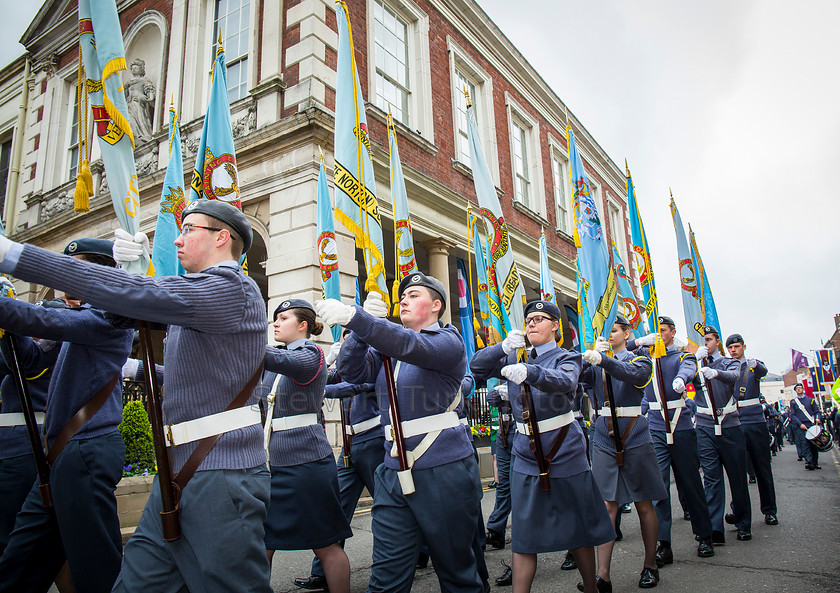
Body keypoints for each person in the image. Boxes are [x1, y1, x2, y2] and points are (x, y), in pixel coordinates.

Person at [0, 200, 273, 592]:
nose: (177, 240)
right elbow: (113, 314)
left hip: (221, 472)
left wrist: (13, 255)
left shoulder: (231, 288)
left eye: (189, 229)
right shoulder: (198, 297)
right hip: (179, 472)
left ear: (221, 237)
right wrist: (130, 275)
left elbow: (139, 298)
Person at [316, 271, 484, 593]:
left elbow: (411, 344)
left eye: (415, 295)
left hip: (441, 467)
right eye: (403, 296)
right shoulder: (390, 349)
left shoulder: (449, 342)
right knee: (387, 574)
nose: (404, 299)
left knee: (457, 573)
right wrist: (360, 333)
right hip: (393, 468)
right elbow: (353, 371)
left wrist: (358, 318)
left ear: (437, 305)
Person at [0, 239, 134, 593]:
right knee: (19, 561)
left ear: (97, 273)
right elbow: (28, 361)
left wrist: (10, 308)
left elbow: (40, 318)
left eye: (73, 267)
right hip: (61, 454)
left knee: (96, 567)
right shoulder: (77, 317)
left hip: (86, 449)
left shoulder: (107, 316)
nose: (62, 277)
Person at [470, 300, 614, 593]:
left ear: (555, 326)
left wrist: (531, 373)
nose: (532, 324)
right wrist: (503, 349)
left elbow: (565, 381)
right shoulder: (515, 358)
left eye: (540, 319)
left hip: (564, 449)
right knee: (523, 532)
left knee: (579, 529)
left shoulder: (567, 357)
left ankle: (591, 586)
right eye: (529, 319)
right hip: (525, 450)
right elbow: (476, 366)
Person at [262, 299, 351, 593]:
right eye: (274, 318)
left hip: (307, 464)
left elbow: (287, 363)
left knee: (325, 544)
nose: (275, 322)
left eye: (283, 317)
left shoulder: (310, 354)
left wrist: (240, 337)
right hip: (273, 466)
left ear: (303, 326)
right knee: (261, 542)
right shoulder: (273, 359)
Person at [581, 316, 666, 589]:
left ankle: (650, 564)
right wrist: (588, 358)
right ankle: (602, 575)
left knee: (643, 503)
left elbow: (633, 375)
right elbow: (575, 377)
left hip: (635, 435)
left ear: (627, 333)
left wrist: (603, 360)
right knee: (607, 504)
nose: (611, 336)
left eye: (615, 331)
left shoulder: (640, 359)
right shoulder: (596, 364)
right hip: (604, 438)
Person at [295, 333, 381, 592]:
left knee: (390, 508)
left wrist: (322, 390)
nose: (348, 348)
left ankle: (405, 558)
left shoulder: (373, 364)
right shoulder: (344, 368)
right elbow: (324, 378)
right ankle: (322, 572)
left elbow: (355, 387)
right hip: (349, 447)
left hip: (373, 440)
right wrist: (327, 363)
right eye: (345, 343)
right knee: (333, 507)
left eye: (353, 343)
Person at [630, 316, 715, 565]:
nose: (659, 334)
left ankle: (704, 535)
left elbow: (689, 367)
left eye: (663, 330)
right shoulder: (645, 359)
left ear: (672, 332)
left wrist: (682, 379)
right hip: (655, 427)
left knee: (690, 484)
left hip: (681, 425)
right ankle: (663, 543)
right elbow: (623, 351)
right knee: (659, 488)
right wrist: (640, 340)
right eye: (655, 331)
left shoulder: (680, 356)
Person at [0, 295, 62, 556]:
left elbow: (27, 364)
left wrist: (9, 317)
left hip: (25, 444)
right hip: (13, 444)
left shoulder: (52, 343)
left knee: (10, 536)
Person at [692, 326, 751, 542]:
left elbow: (734, 376)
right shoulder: (696, 364)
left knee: (737, 477)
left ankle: (744, 523)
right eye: (703, 340)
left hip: (729, 425)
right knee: (711, 479)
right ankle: (715, 527)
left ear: (717, 342)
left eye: (709, 340)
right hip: (706, 427)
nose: (705, 343)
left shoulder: (729, 362)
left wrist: (715, 372)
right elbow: (683, 378)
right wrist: (693, 362)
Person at [725, 334, 778, 526]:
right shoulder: (726, 367)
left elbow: (763, 371)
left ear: (744, 347)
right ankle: (737, 510)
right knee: (737, 471)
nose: (733, 350)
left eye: (737, 347)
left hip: (755, 421)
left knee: (762, 467)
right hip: (735, 421)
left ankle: (770, 510)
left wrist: (755, 364)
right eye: (730, 347)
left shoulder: (752, 365)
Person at [789, 382, 822, 470]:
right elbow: (793, 415)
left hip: (811, 424)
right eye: (797, 388)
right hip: (801, 425)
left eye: (800, 388)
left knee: (813, 444)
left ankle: (815, 462)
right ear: (795, 391)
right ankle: (809, 462)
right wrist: (800, 424)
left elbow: (817, 411)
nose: (799, 389)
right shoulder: (793, 402)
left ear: (803, 389)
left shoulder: (810, 400)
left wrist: (818, 418)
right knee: (805, 443)